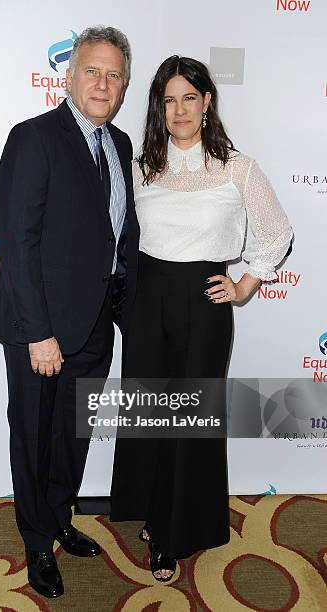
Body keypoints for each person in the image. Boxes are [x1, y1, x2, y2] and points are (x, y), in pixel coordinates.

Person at [110, 56, 293, 581]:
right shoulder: (142, 164)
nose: (179, 109)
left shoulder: (238, 167)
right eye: (169, 100)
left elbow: (277, 233)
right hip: (147, 299)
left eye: (189, 97)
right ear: (159, 109)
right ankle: (153, 510)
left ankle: (172, 532)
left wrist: (243, 285)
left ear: (208, 101)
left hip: (205, 303)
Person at [0, 26, 139, 598]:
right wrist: (40, 333)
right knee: (33, 434)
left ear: (124, 84)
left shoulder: (120, 145)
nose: (103, 83)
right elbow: (18, 241)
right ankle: (34, 540)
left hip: (94, 324)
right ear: (68, 76)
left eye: (114, 74)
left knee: (72, 435)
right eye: (92, 71)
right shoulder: (34, 138)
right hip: (38, 326)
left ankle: (57, 518)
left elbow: (116, 239)